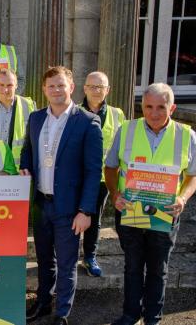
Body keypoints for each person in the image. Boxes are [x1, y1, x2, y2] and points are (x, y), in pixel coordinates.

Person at [105, 83, 196, 325]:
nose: (154, 113)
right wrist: (115, 193)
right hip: (130, 211)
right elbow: (110, 167)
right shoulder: (126, 129)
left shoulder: (186, 134)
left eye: (161, 107)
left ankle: (152, 318)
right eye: (148, 106)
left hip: (165, 213)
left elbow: (194, 174)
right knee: (133, 266)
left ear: (173, 108)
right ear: (141, 106)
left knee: (159, 269)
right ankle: (130, 314)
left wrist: (182, 198)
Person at [20, 66, 102, 325]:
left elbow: (93, 171)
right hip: (41, 204)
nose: (56, 90)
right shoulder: (35, 118)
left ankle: (62, 313)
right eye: (51, 86)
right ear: (44, 90)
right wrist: (25, 166)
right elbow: (27, 149)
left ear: (71, 87)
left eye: (61, 85)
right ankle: (44, 304)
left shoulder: (87, 122)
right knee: (44, 260)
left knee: (67, 264)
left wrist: (86, 211)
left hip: (70, 208)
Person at [79, 71, 125, 277]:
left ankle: (89, 257)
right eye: (92, 86)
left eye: (101, 87)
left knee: (94, 218)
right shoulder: (74, 112)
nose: (96, 91)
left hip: (103, 178)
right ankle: (68, 257)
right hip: (77, 175)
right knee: (71, 216)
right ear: (84, 88)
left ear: (108, 90)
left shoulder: (117, 114)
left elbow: (124, 146)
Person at [0, 68, 36, 169]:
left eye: (10, 85)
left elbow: (35, 141)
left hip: (19, 170)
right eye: (1, 85)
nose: (5, 90)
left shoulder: (29, 106)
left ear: (16, 85)